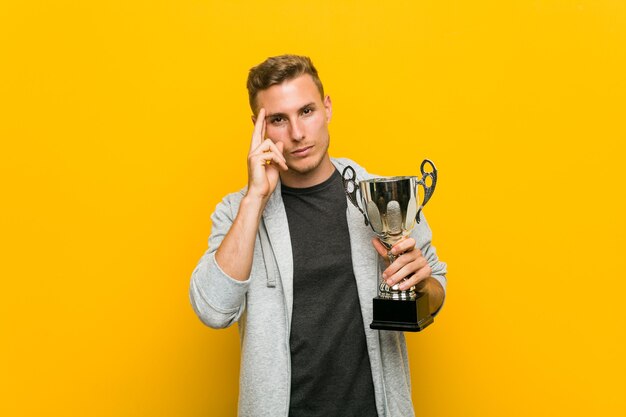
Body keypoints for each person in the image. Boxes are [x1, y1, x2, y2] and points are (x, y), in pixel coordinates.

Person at [189, 54, 447, 417]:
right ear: (258, 127)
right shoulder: (237, 211)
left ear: (327, 108)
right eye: (278, 119)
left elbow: (437, 292)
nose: (296, 133)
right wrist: (255, 198)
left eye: (306, 111)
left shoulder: (382, 199)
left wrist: (420, 284)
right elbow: (213, 309)